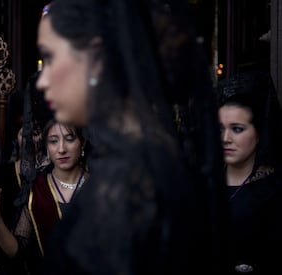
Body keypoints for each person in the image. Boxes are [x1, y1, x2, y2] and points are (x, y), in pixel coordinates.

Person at [35, 0, 227, 274]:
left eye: (49, 57)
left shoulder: (128, 185)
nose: (42, 80)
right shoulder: (150, 157)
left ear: (97, 58)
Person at [0, 118, 89, 274]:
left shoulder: (101, 188)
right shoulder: (35, 189)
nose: (61, 149)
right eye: (53, 141)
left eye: (70, 139)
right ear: (47, 147)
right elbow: (17, 251)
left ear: (82, 143)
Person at [216, 70, 282, 274]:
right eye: (220, 128)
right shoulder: (205, 183)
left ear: (259, 133)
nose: (226, 138)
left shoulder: (273, 191)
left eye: (237, 129)